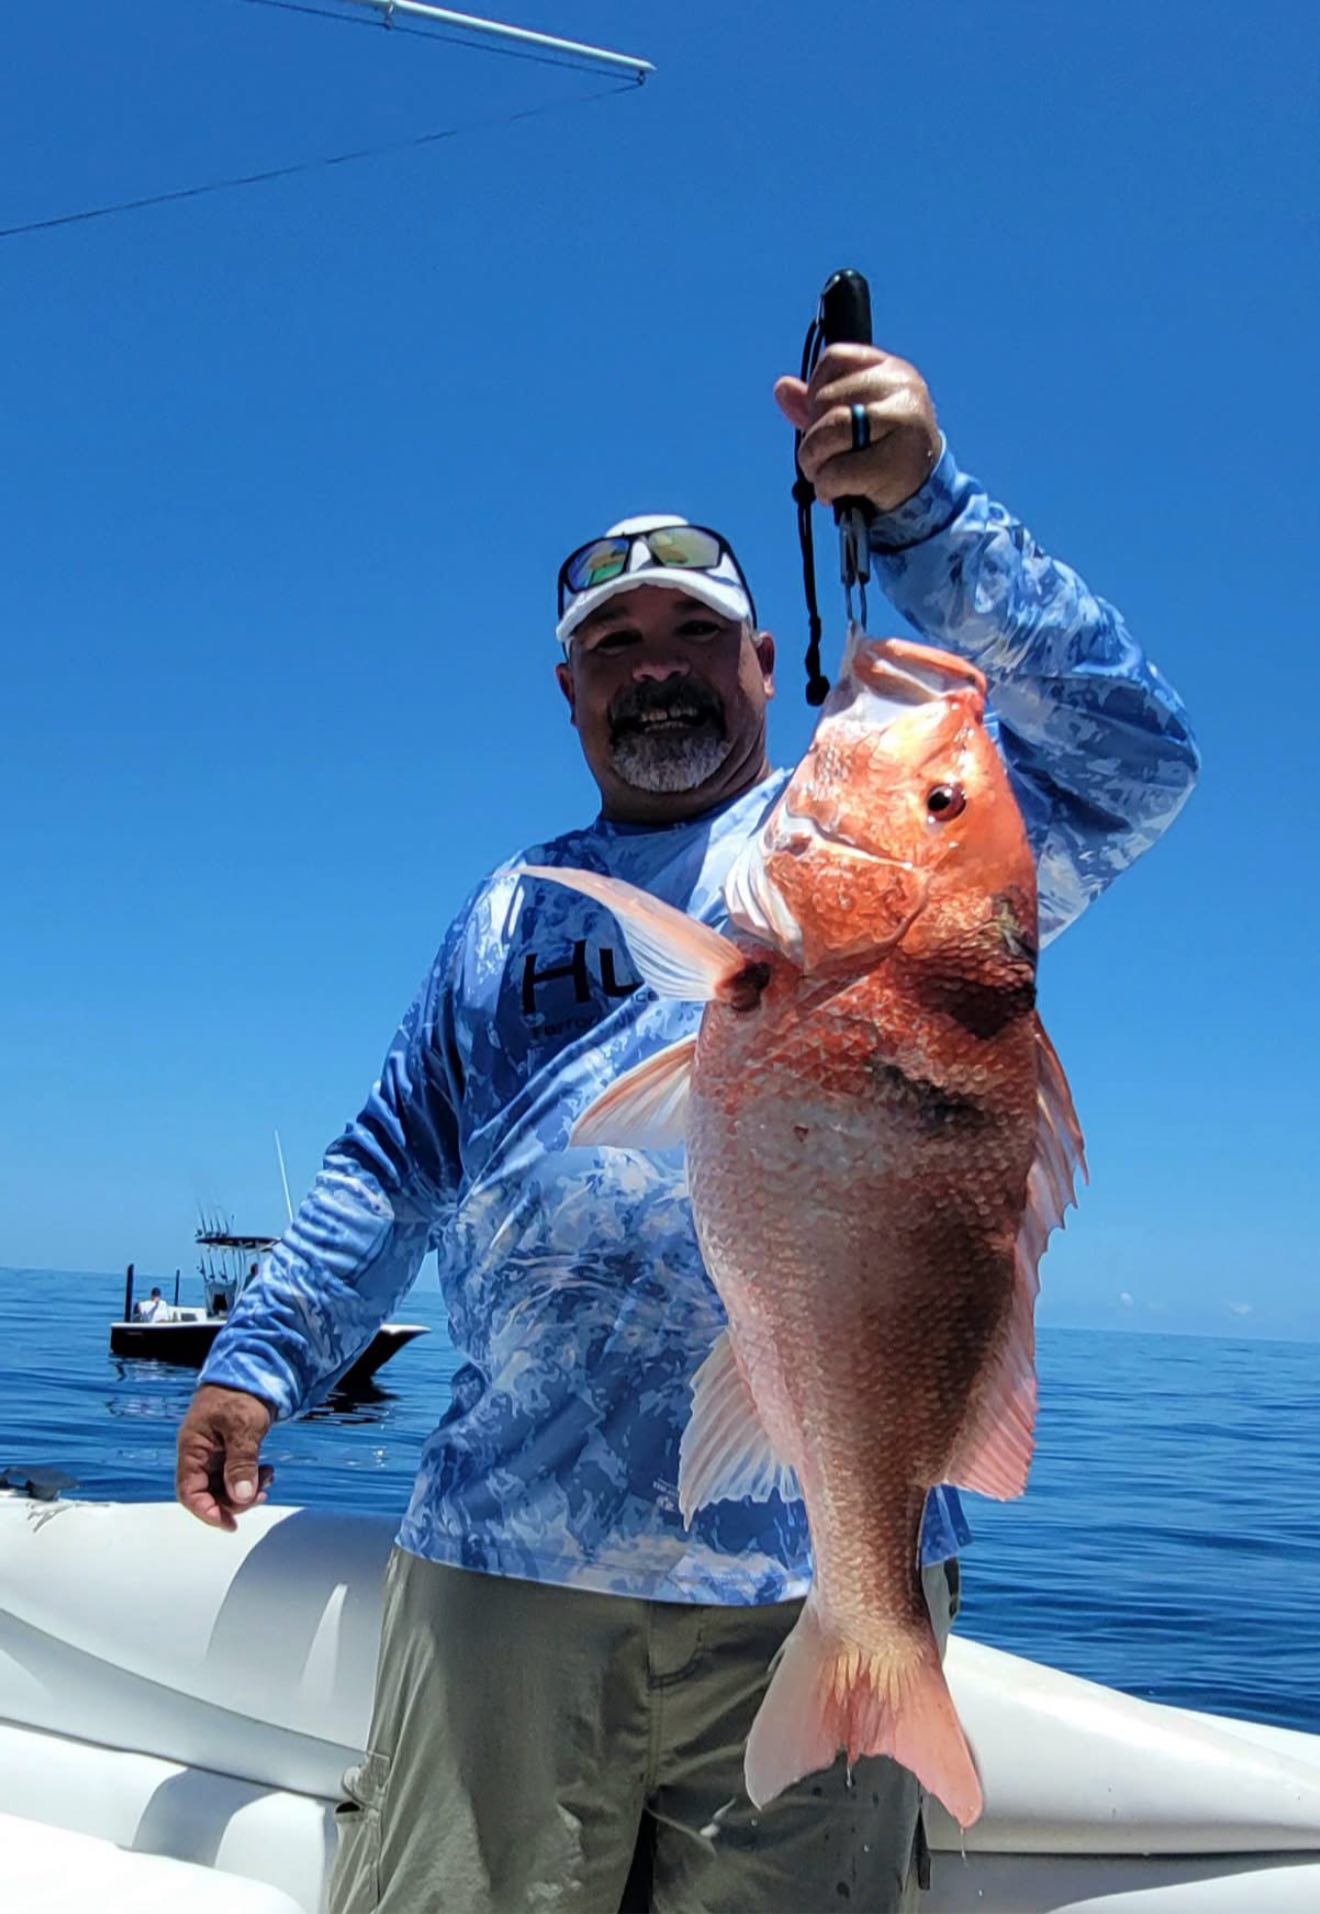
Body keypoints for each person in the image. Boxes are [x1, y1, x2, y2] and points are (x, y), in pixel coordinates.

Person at [175, 341, 1199, 1914]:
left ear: (769, 666)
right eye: (619, 642)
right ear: (572, 688)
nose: (660, 664)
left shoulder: (906, 857)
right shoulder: (510, 912)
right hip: (507, 1567)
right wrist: (262, 1357)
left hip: (819, 1573)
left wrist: (926, 511)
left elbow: (1131, 751)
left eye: (697, 635)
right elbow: (394, 1156)